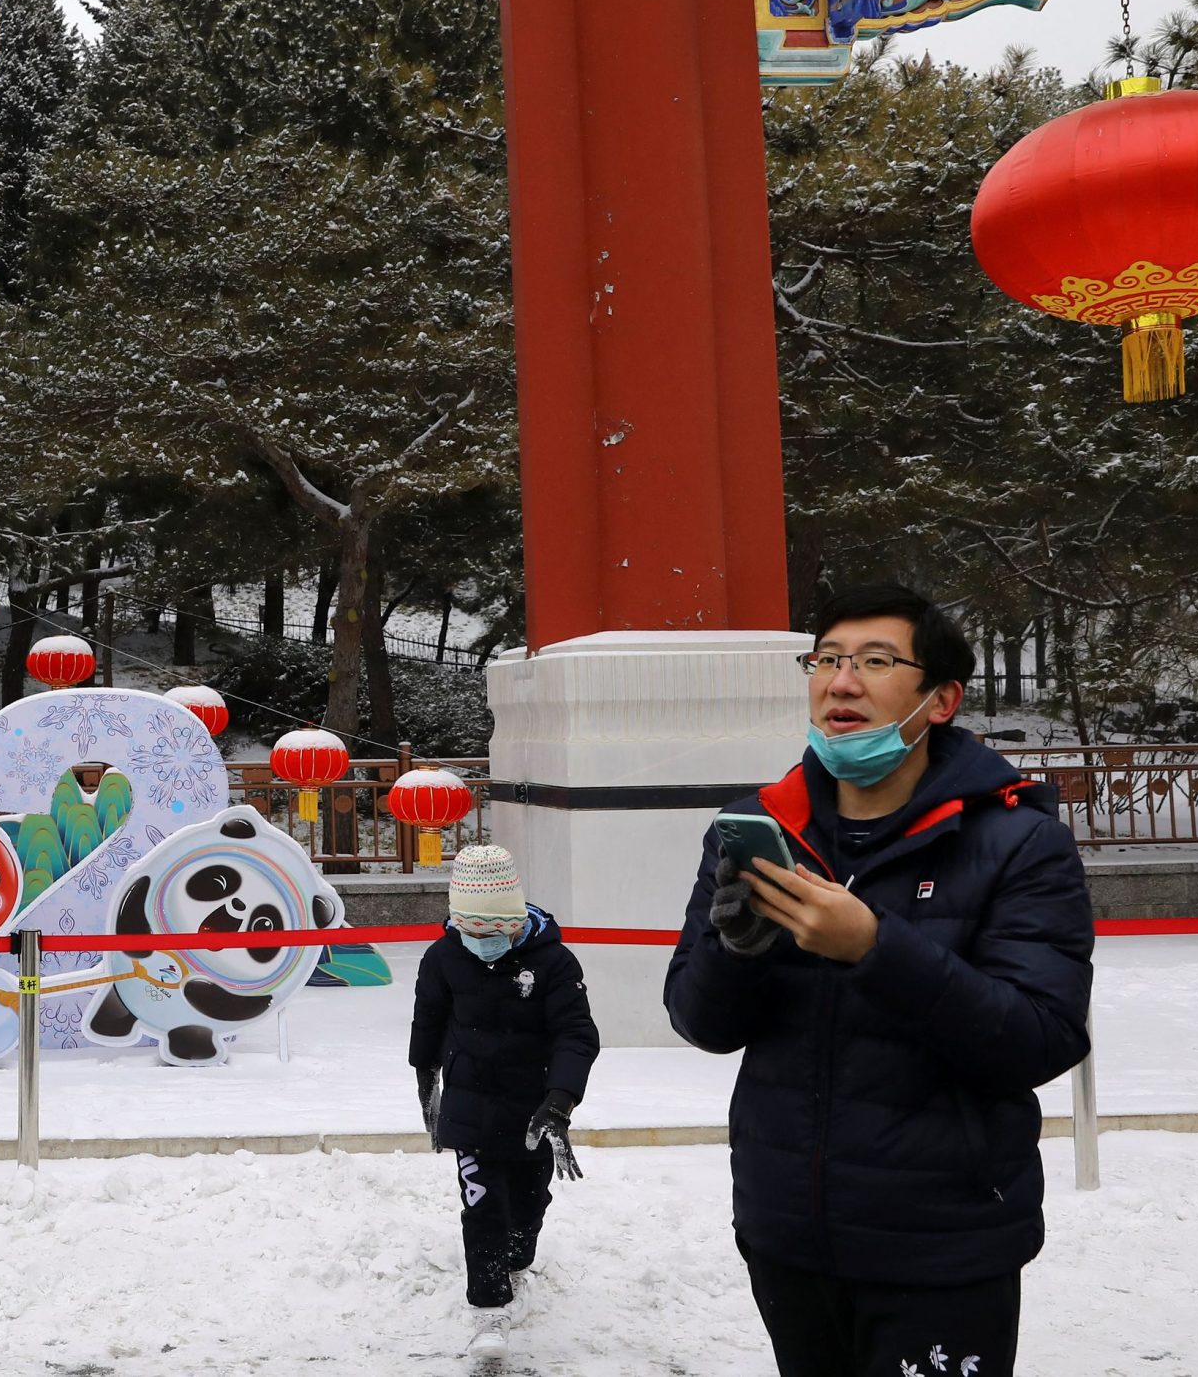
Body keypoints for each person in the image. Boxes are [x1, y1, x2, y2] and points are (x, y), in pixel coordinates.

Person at [664, 584, 1095, 1377]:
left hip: (943, 1247)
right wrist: (738, 948)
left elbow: (1042, 1036)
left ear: (940, 699)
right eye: (825, 659)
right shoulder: (763, 826)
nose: (841, 682)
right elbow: (702, 1023)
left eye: (875, 661)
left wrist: (874, 948)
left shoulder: (1017, 843)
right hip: (787, 1233)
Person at [408, 844, 598, 1355]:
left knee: (529, 1202)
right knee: (483, 1207)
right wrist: (426, 1082)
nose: (483, 942)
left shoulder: (553, 962)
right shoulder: (444, 956)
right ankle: (489, 1309)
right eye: (471, 931)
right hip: (469, 1106)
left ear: (515, 922)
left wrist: (560, 1101)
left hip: (532, 1107)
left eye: (494, 932)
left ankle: (517, 1263)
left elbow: (575, 1035)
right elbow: (427, 1022)